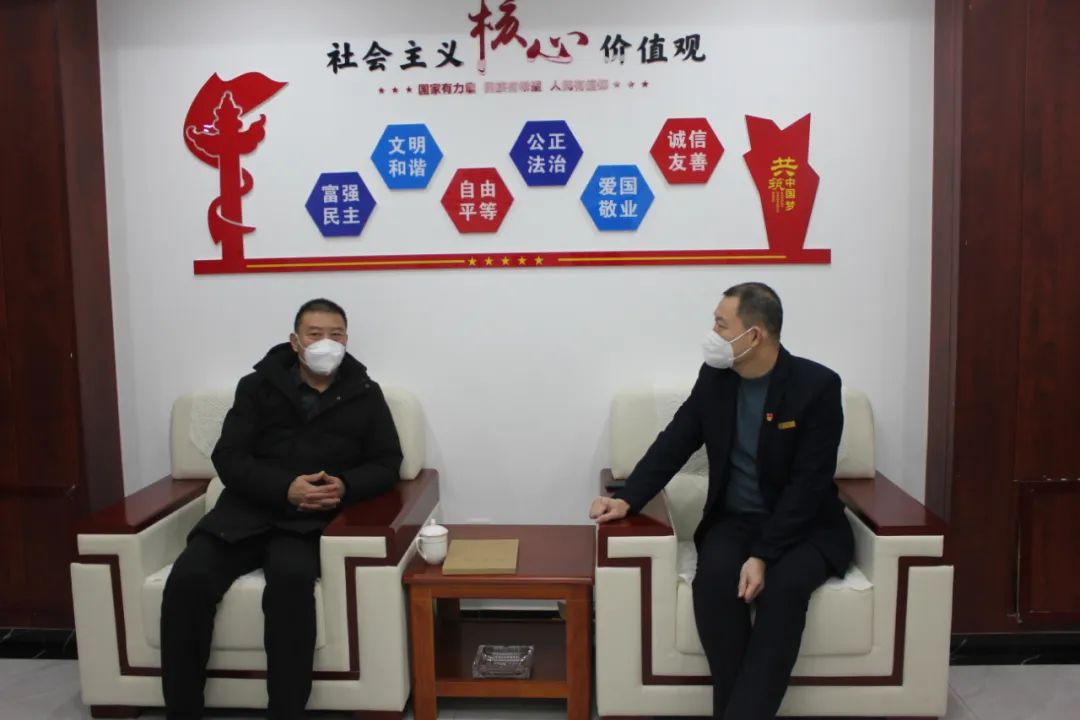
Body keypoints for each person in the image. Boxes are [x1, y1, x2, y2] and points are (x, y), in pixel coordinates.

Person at [589, 282, 853, 720]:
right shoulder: (716, 377)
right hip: (735, 521)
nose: (712, 334)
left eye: (720, 324)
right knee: (714, 585)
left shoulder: (816, 386)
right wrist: (629, 499)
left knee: (783, 591)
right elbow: (677, 439)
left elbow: (809, 485)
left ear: (754, 336)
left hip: (804, 527)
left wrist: (763, 556)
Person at [160, 298, 403, 719]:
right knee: (188, 580)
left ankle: (286, 712)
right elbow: (228, 457)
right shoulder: (257, 387)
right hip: (244, 513)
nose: (326, 343)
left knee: (291, 586)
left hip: (307, 523)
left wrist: (345, 486)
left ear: (347, 340)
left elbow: (387, 463)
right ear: (295, 341)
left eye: (336, 335)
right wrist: (284, 488)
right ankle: (182, 711)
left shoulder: (365, 393)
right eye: (315, 334)